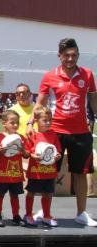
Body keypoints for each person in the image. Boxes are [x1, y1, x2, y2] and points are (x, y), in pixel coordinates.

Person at [29, 38, 97, 227]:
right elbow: (40, 103)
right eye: (66, 55)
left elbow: (93, 102)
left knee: (80, 173)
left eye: (74, 55)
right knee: (49, 171)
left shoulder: (88, 75)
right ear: (59, 56)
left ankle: (81, 213)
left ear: (78, 55)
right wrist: (30, 122)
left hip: (81, 132)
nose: (70, 59)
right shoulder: (49, 76)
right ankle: (44, 210)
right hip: (55, 132)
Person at [23, 106, 62, 227]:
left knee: (48, 194)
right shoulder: (32, 135)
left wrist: (57, 157)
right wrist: (34, 156)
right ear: (36, 121)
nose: (48, 123)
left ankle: (46, 216)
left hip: (50, 172)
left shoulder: (53, 135)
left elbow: (58, 152)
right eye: (45, 120)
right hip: (36, 172)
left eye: (50, 120)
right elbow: (26, 153)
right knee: (31, 193)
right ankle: (28, 215)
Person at [0, 110, 28, 227]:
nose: (15, 125)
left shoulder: (20, 137)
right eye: (12, 122)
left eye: (17, 123)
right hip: (2, 173)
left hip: (16, 174)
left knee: (15, 195)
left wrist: (22, 149)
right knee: (0, 194)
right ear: (4, 123)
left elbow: (27, 155)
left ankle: (16, 216)